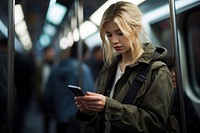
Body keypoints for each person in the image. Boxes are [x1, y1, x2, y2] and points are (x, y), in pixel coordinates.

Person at [74, 1, 179, 133]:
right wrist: (89, 111)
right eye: (109, 35)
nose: (114, 41)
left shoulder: (157, 71)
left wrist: (108, 106)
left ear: (137, 28)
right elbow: (103, 120)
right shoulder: (110, 68)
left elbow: (154, 123)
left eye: (120, 33)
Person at [44, 41, 95, 133]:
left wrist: (52, 111)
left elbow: (48, 93)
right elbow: (89, 94)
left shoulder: (56, 68)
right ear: (85, 53)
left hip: (59, 115)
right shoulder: (82, 69)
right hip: (76, 117)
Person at [163, 55, 200, 133]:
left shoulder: (181, 95)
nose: (173, 75)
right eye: (169, 71)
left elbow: (194, 123)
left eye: (174, 70)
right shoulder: (158, 97)